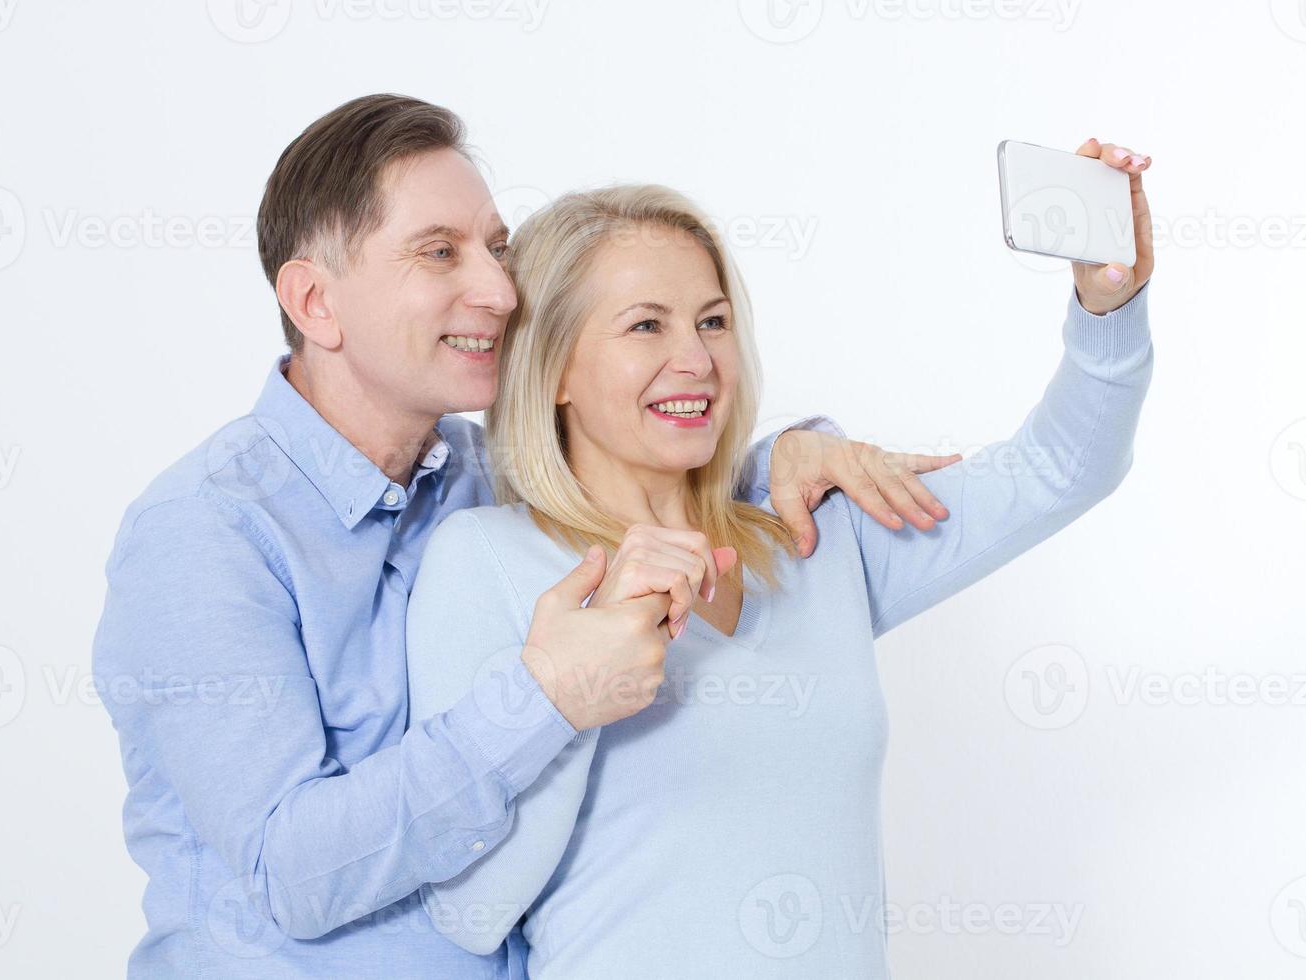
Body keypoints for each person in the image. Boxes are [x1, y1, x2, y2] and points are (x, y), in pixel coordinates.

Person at [90, 93, 959, 979]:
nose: (503, 292)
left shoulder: (478, 474)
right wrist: (545, 698)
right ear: (316, 301)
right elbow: (293, 873)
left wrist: (789, 449)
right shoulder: (204, 535)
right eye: (441, 253)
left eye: (497, 249)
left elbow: (645, 470)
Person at [406, 151, 1154, 978]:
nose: (696, 358)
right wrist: (579, 693)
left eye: (714, 321)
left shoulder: (808, 538)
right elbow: (470, 912)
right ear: (554, 372)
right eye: (646, 325)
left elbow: (1060, 469)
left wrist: (1107, 306)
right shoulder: (486, 561)